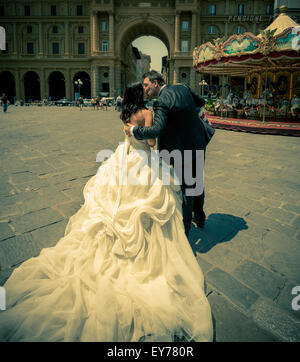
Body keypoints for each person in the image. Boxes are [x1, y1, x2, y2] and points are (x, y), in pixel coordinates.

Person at [0, 82, 213, 342]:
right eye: (144, 90)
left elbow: (133, 136)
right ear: (141, 96)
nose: (147, 92)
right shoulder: (147, 113)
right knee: (155, 204)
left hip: (124, 159)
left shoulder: (125, 114)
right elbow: (151, 139)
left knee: (114, 205)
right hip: (145, 162)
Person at [124, 71, 208, 237]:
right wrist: (189, 118)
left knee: (186, 187)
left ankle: (185, 229)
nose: (145, 89)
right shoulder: (183, 87)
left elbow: (156, 129)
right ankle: (200, 217)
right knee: (197, 180)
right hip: (198, 140)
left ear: (156, 83)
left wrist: (134, 130)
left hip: (181, 147)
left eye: (146, 85)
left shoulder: (161, 101)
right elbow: (201, 101)